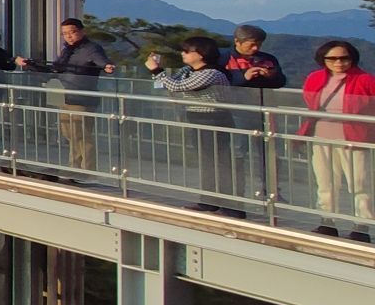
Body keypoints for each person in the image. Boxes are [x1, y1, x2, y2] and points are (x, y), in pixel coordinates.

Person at [150, 36, 237, 215]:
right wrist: (157, 70)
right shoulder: (189, 70)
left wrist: (157, 70)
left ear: (201, 54)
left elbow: (178, 86)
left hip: (214, 119)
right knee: (206, 161)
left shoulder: (212, 73)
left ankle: (230, 204)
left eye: (187, 51)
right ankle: (209, 200)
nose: (183, 54)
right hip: (198, 118)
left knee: (217, 161)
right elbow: (164, 85)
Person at [300, 40, 375, 240]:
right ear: (323, 59)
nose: (338, 62)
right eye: (332, 58)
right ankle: (327, 220)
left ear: (352, 58)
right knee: (325, 181)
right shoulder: (315, 78)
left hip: (355, 138)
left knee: (359, 183)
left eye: (344, 58)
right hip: (322, 135)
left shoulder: (365, 80)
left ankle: (362, 225)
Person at [16, 19, 110, 173]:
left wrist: (107, 66)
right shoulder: (67, 51)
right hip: (64, 96)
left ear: (82, 31)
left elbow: (102, 62)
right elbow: (54, 71)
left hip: (82, 98)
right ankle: (74, 167)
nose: (69, 36)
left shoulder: (92, 48)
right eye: (65, 34)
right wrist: (29, 65)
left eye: (72, 32)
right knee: (71, 135)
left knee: (82, 135)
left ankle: (87, 170)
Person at [222, 25, 288, 191]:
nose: (255, 48)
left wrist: (270, 76)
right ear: (237, 41)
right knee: (237, 152)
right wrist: (243, 77)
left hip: (265, 110)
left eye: (258, 44)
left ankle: (270, 190)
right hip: (235, 112)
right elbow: (219, 81)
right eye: (251, 44)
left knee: (269, 152)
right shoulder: (223, 58)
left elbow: (280, 81)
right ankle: (236, 190)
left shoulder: (268, 59)